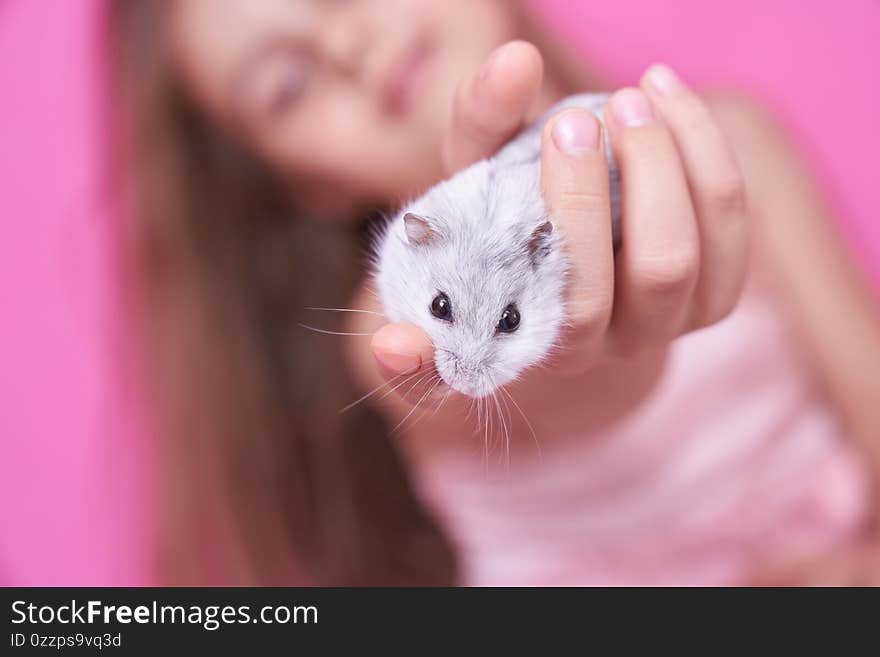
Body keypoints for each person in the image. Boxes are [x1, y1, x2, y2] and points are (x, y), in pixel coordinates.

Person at [111, 0, 880, 585]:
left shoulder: (733, 143)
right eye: (287, 85)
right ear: (312, 183)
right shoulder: (389, 330)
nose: (346, 43)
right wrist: (572, 337)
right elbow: (549, 379)